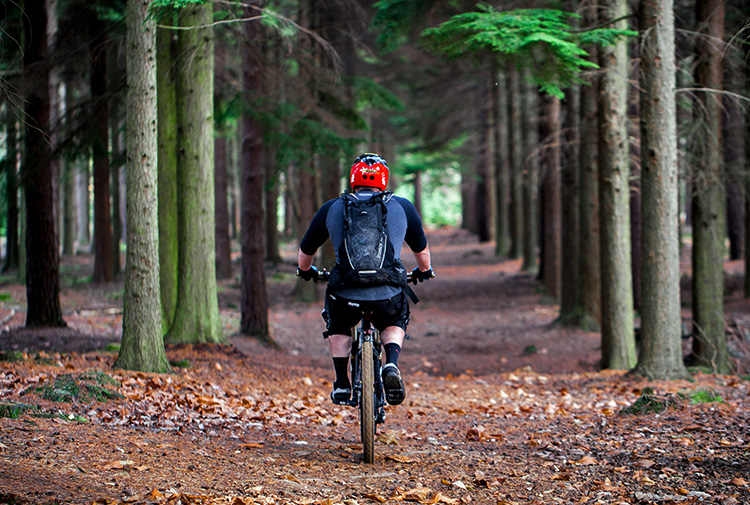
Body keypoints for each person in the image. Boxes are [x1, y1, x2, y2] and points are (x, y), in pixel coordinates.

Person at [297, 153, 433, 407]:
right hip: (387, 294)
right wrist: (424, 271)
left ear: (353, 179)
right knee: (395, 318)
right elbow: (422, 252)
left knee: (337, 322)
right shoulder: (402, 206)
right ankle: (390, 364)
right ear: (384, 180)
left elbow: (306, 250)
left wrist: (305, 271)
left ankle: (341, 383)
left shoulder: (333, 207)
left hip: (345, 293)